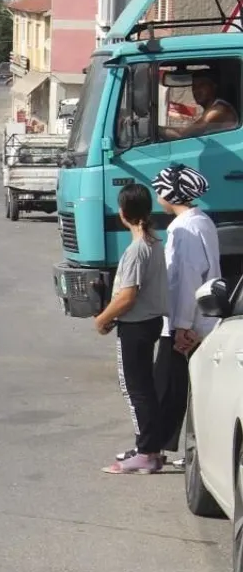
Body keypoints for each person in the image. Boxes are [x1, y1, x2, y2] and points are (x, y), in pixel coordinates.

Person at [95, 183, 169, 474]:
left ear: (123, 212)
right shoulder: (153, 243)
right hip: (148, 322)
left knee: (135, 390)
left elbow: (127, 296)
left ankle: (146, 452)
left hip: (136, 325)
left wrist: (102, 318)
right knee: (144, 389)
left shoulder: (137, 250)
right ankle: (148, 447)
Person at [154, 164, 218, 468]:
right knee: (183, 388)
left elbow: (188, 279)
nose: (157, 194)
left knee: (169, 388)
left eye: (159, 188)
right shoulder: (199, 221)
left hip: (186, 325)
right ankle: (165, 447)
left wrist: (180, 326)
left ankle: (154, 449)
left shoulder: (185, 228)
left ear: (170, 192)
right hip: (194, 320)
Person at [161, 70, 238, 140]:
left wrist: (155, 130)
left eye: (201, 85)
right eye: (194, 87)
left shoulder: (219, 109)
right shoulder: (210, 108)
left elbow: (182, 134)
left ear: (213, 86)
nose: (196, 91)